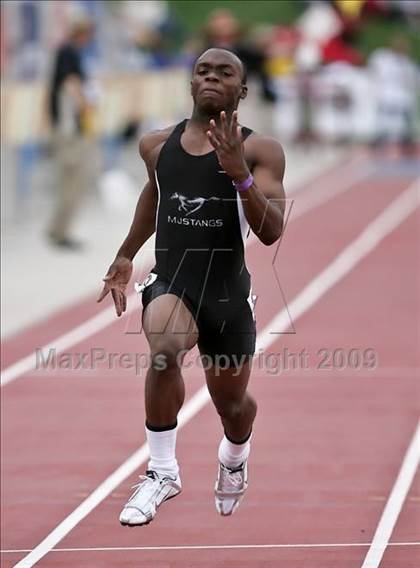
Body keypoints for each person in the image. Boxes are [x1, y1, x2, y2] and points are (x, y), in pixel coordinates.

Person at [98, 48, 285, 525]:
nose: (211, 78)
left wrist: (238, 170)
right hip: (172, 280)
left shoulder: (261, 150)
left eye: (225, 73)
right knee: (163, 349)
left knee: (233, 406)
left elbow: (272, 230)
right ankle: (162, 471)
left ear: (241, 91)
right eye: (203, 70)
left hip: (226, 294)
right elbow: (154, 194)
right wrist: (125, 254)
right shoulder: (157, 145)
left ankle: (235, 457)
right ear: (190, 83)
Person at [47, 16, 95, 250]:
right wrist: (85, 104)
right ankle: (60, 230)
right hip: (71, 129)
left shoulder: (66, 52)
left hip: (68, 127)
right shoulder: (70, 53)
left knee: (70, 178)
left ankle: (59, 228)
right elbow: (71, 83)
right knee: (73, 178)